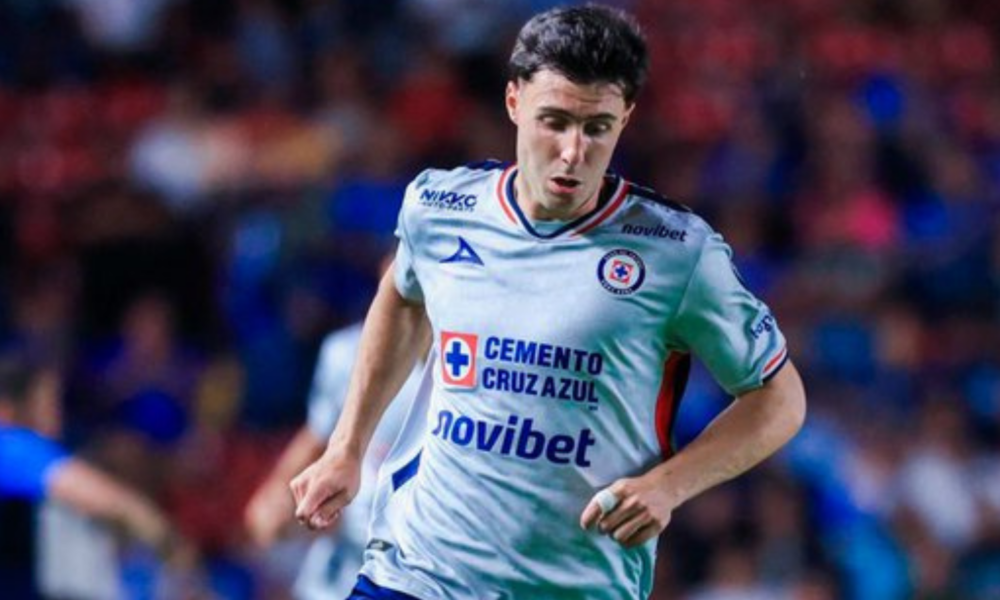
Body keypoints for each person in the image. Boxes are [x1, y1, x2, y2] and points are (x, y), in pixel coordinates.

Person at [291, 5, 807, 599]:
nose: (572, 151)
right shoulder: (439, 209)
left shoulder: (677, 253)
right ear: (513, 102)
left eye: (597, 128)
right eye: (553, 121)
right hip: (416, 573)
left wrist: (670, 486)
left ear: (626, 118)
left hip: (573, 585)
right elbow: (403, 296)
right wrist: (347, 447)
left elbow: (780, 396)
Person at [245, 318, 426, 599]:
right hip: (338, 566)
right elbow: (319, 435)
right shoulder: (345, 351)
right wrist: (278, 492)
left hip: (414, 566)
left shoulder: (464, 361)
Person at [0, 354, 193, 598]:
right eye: (47, 404)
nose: (57, 417)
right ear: (7, 409)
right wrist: (172, 545)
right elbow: (114, 502)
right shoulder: (10, 444)